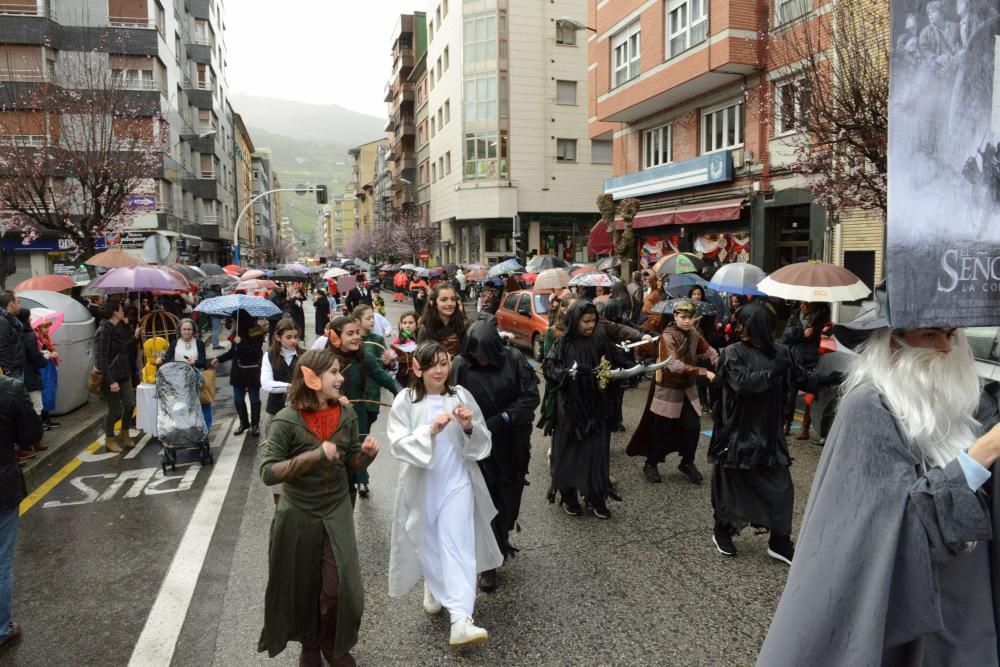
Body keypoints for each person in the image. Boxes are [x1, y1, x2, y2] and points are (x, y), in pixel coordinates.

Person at [758, 303, 1000, 665]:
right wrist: (984, 451)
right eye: (931, 335)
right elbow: (903, 527)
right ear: (892, 344)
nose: (947, 349)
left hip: (966, 605)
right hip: (905, 608)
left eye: (951, 335)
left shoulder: (966, 403)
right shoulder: (869, 406)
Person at [257, 349, 380, 666]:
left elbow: (350, 461)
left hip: (336, 509)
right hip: (298, 514)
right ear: (312, 379)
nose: (341, 378)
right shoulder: (287, 420)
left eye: (340, 372)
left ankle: (329, 640)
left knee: (338, 588)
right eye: (335, 373)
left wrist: (365, 455)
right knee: (302, 586)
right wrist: (314, 455)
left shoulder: (347, 415)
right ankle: (310, 644)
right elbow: (268, 471)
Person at [386, 341, 502, 646]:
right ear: (417, 368)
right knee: (429, 541)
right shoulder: (405, 401)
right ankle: (434, 585)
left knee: (458, 543)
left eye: (444, 363)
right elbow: (397, 444)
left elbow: (481, 440)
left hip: (457, 482)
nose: (440, 370)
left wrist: (468, 427)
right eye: (433, 364)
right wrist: (429, 432)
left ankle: (461, 619)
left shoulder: (460, 395)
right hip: (422, 485)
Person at [707, 302, 803, 563]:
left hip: (769, 435)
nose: (738, 329)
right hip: (738, 434)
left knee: (781, 489)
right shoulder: (731, 353)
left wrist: (833, 376)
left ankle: (779, 541)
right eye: (737, 324)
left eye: (744, 324)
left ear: (759, 327)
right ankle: (722, 531)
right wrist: (775, 372)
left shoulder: (781, 352)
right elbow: (743, 383)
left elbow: (798, 379)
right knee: (731, 488)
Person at [450, 318, 540, 592]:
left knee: (508, 498)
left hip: (511, 442)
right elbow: (449, 399)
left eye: (485, 355)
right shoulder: (461, 365)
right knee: (484, 501)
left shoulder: (514, 359)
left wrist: (503, 418)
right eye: (476, 355)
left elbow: (530, 397)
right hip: (477, 446)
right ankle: (488, 563)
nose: (481, 360)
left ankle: (502, 538)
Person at [543, 300, 621, 519]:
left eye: (593, 321)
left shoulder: (599, 340)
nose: (590, 325)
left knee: (595, 454)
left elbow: (614, 362)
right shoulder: (563, 343)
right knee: (570, 455)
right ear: (575, 320)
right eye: (585, 321)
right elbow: (550, 368)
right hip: (571, 411)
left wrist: (612, 370)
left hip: (596, 408)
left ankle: (596, 496)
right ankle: (569, 497)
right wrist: (568, 373)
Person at [627, 300, 718, 485]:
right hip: (668, 387)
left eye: (690, 317)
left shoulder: (694, 332)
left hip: (687, 387)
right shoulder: (667, 336)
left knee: (693, 426)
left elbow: (709, 351)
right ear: (675, 316)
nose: (687, 321)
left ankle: (687, 462)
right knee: (661, 429)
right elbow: (674, 365)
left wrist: (719, 361)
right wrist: (704, 372)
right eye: (683, 317)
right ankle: (651, 464)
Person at [314, 316, 400, 501]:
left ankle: (354, 492)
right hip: (329, 420)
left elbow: (385, 379)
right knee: (334, 467)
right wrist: (335, 398)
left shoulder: (365, 357)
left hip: (356, 418)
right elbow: (313, 389)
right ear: (335, 337)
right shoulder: (324, 360)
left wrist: (405, 396)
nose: (356, 337)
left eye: (357, 333)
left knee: (355, 462)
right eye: (350, 333)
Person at [0, 374, 43, 655]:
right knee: (1, 562)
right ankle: (1, 629)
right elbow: (31, 435)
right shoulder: (9, 388)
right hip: (3, 486)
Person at [354, 304, 395, 498]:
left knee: (364, 435)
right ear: (357, 321)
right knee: (359, 438)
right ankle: (361, 479)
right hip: (354, 398)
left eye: (373, 318)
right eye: (368, 318)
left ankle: (357, 471)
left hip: (372, 397)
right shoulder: (353, 341)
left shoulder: (378, 340)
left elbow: (383, 371)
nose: (372, 321)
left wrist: (388, 363)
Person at [781, 301, 830, 439]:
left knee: (810, 393)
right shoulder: (795, 316)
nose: (801, 306)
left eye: (805, 304)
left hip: (812, 359)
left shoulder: (822, 318)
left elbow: (827, 334)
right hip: (795, 358)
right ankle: (787, 422)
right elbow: (785, 336)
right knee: (791, 392)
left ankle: (805, 427)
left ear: (813, 305)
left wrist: (820, 335)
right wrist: (802, 334)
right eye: (801, 303)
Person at [160, 318, 219, 431]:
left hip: (197, 380)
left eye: (189, 329)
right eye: (184, 329)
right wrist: (162, 360)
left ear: (193, 331)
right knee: (183, 407)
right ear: (180, 330)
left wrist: (195, 362)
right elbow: (167, 360)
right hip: (179, 381)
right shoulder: (174, 344)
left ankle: (205, 430)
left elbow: (203, 362)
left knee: (203, 404)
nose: (187, 332)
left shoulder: (199, 343)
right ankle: (188, 431)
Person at [94, 301, 137, 453]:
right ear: (114, 312)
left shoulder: (118, 327)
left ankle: (124, 432)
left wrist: (133, 334)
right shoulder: (103, 331)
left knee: (130, 404)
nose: (123, 311)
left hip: (124, 373)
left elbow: (124, 347)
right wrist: (111, 381)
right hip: (110, 377)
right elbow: (102, 360)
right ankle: (109, 439)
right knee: (115, 410)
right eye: (120, 309)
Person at [216, 309, 266, 436]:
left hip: (252, 370)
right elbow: (233, 352)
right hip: (238, 371)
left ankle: (255, 424)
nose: (232, 323)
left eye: (234, 321)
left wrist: (242, 342)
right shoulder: (236, 333)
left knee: (254, 399)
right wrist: (219, 359)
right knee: (238, 399)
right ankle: (244, 423)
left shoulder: (256, 331)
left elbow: (256, 352)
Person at [15, 309, 49, 458]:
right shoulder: (29, 335)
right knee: (36, 408)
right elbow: (34, 356)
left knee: (23, 409)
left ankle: (28, 443)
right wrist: (44, 359)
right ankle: (34, 440)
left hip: (20, 373)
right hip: (30, 375)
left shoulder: (14, 333)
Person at [417, 284, 468, 357]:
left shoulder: (465, 325)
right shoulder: (425, 329)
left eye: (453, 299)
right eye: (444, 300)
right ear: (432, 302)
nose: (450, 303)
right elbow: (422, 358)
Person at [31, 316, 59, 431]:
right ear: (38, 327)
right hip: (43, 369)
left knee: (49, 392)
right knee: (45, 393)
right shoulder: (35, 338)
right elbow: (35, 354)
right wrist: (49, 354)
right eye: (44, 326)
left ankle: (47, 419)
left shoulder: (44, 338)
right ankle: (44, 421)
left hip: (48, 367)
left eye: (48, 326)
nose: (47, 329)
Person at [0, 292, 25, 381]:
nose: (20, 306)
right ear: (11, 303)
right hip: (12, 374)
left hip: (16, 371)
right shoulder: (2, 321)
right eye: (18, 302)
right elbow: (2, 348)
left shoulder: (10, 320)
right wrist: (8, 373)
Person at [392, 311, 419, 387]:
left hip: (418, 377)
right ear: (401, 325)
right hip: (403, 378)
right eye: (404, 323)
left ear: (417, 324)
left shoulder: (421, 339)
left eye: (410, 323)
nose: (407, 325)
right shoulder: (397, 341)